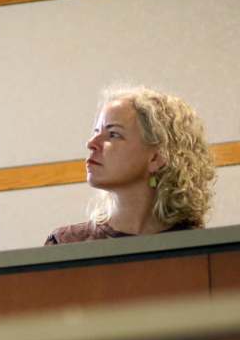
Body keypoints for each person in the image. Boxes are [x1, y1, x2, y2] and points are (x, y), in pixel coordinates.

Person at [45, 86, 215, 244]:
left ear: (156, 158)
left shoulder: (198, 247)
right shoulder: (65, 244)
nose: (91, 143)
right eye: (96, 132)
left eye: (113, 134)